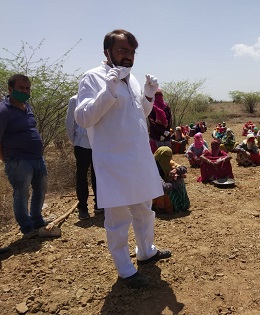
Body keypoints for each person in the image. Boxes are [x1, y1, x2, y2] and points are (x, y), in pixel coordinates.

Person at [75, 29, 171, 289]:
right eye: (122, 51)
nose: (128, 57)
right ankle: (125, 270)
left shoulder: (133, 78)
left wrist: (148, 96)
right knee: (118, 219)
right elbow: (83, 118)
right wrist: (108, 92)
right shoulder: (92, 78)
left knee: (144, 209)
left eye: (131, 52)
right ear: (106, 52)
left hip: (138, 158)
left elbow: (139, 113)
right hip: (113, 161)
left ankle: (146, 251)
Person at [0, 74, 48, 239]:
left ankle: (37, 221)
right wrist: (5, 158)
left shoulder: (27, 107)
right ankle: (27, 228)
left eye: (27, 88)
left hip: (37, 158)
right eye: (21, 88)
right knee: (22, 194)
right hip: (18, 160)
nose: (25, 91)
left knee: (40, 190)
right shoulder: (3, 110)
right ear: (10, 89)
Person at [65, 95, 103, 220]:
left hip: (97, 144)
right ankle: (83, 207)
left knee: (97, 174)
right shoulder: (75, 99)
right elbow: (69, 122)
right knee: (81, 175)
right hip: (81, 145)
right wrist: (75, 140)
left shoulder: (100, 97)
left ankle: (99, 204)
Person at [153, 146, 190, 213]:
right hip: (156, 190)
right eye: (166, 156)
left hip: (167, 184)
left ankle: (181, 205)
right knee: (164, 190)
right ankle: (160, 207)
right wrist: (176, 182)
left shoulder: (168, 161)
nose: (169, 158)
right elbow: (164, 187)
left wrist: (176, 170)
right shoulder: (153, 168)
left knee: (180, 179)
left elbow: (184, 168)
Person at [148, 88, 172, 153]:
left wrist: (165, 133)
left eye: (160, 94)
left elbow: (170, 120)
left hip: (166, 136)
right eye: (156, 94)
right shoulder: (151, 107)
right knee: (156, 156)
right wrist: (162, 132)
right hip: (155, 136)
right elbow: (152, 122)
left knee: (166, 155)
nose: (158, 96)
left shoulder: (166, 107)